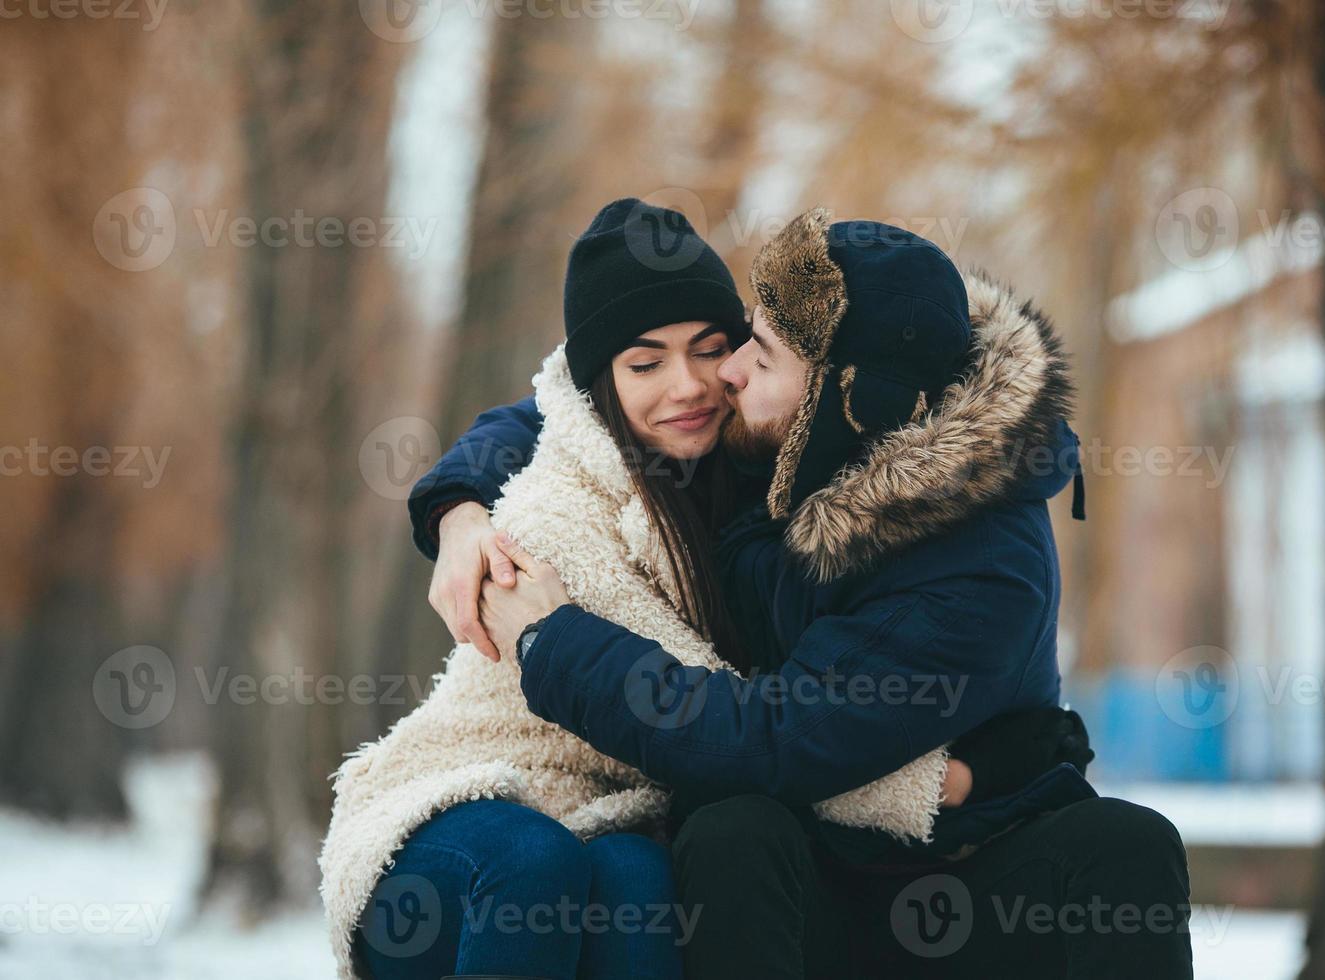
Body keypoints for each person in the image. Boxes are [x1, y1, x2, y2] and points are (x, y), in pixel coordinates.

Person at [437, 208, 1193, 978]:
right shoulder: (785, 439)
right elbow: (571, 409)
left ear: (847, 402)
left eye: (756, 358)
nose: (722, 374)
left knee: (1127, 845)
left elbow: (774, 741)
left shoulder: (985, 568)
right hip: (804, 871)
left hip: (962, 878)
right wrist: (456, 507)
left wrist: (554, 640)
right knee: (733, 830)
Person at [320, 199, 958, 980]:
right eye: (645, 363)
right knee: (535, 863)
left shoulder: (757, 481)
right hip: (461, 808)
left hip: (609, 811)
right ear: (600, 384)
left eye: (708, 349)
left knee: (639, 878)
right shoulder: (551, 518)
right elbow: (713, 708)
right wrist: (934, 784)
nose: (686, 386)